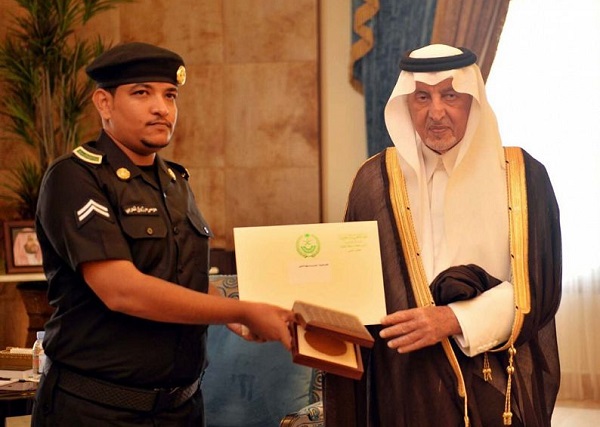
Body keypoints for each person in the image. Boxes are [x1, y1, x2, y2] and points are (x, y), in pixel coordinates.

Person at [32, 42, 294, 426]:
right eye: (142, 93)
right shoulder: (76, 177)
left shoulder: (175, 182)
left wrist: (236, 318)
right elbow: (121, 290)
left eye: (170, 95)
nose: (161, 108)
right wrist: (241, 310)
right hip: (97, 410)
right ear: (104, 103)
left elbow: (183, 281)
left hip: (181, 409)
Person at [324, 44, 561, 427]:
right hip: (401, 381)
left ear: (473, 100)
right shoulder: (376, 180)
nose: (435, 112)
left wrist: (454, 319)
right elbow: (353, 283)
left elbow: (539, 288)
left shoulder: (521, 176)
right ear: (406, 102)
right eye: (422, 97)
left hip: (493, 376)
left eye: (450, 96)